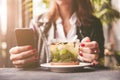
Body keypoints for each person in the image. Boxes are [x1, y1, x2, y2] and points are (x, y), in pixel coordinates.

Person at [9, 0, 104, 68]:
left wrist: (92, 55)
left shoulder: (94, 23)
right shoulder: (38, 22)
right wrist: (23, 59)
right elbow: (31, 63)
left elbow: (98, 60)